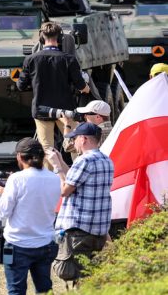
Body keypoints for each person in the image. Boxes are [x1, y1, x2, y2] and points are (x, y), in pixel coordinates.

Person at [47, 122, 114, 285]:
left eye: (74, 139)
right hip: (98, 230)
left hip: (79, 231)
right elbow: (74, 179)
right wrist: (61, 161)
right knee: (94, 276)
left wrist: (56, 167)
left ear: (83, 139)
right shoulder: (106, 160)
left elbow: (64, 190)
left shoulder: (84, 161)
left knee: (76, 275)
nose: (73, 142)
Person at [17, 21, 90, 169]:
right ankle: (79, 173)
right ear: (60, 37)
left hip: (41, 110)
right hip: (66, 111)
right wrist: (87, 89)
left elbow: (21, 86)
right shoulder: (69, 59)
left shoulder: (31, 59)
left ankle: (50, 177)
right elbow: (81, 86)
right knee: (75, 145)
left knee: (46, 148)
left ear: (41, 38)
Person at [0, 138, 61, 295]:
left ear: (19, 156)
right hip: (45, 242)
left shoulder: (16, 179)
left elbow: (2, 213)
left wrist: (5, 194)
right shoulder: (54, 178)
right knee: (45, 290)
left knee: (16, 290)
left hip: (17, 243)